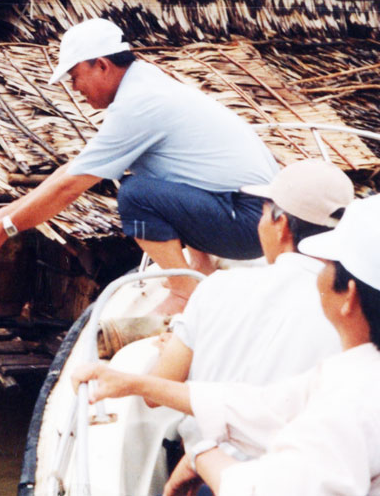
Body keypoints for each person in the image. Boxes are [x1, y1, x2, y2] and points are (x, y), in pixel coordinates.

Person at [0, 18, 278, 313]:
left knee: (135, 194)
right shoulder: (145, 83)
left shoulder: (137, 105)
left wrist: (7, 229)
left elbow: (71, 186)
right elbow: (73, 168)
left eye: (74, 77)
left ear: (101, 65)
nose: (74, 88)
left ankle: (184, 292)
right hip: (256, 214)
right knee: (155, 173)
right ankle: (200, 266)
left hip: (250, 223)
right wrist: (3, 215)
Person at [73, 194, 380, 495]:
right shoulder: (358, 371)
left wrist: (202, 456)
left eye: (327, 265)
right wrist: (134, 384)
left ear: (348, 295)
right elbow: (266, 407)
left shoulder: (348, 407)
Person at [149, 159, 351, 484]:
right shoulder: (354, 311)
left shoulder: (217, 287)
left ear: (281, 224)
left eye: (262, 213)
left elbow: (156, 391)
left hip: (210, 475)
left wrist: (167, 351)